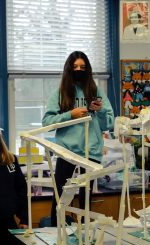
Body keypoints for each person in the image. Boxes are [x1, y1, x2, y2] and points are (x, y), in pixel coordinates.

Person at [42, 51, 114, 226]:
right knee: (60, 196)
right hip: (67, 152)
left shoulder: (95, 91)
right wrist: (70, 115)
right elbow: (47, 121)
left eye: (82, 67)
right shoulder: (61, 93)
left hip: (91, 152)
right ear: (69, 69)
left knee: (86, 199)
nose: (79, 70)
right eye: (75, 67)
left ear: (88, 69)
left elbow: (109, 124)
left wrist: (101, 110)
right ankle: (55, 233)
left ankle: (85, 236)